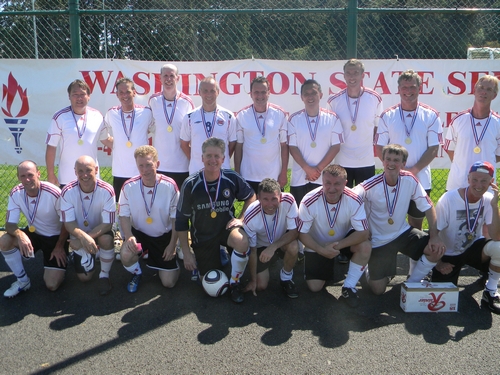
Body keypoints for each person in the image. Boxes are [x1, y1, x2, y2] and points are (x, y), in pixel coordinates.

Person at [353, 144, 446, 295]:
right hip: (378, 240)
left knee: (436, 249)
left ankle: (411, 284)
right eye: (388, 159)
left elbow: (429, 207)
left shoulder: (410, 179)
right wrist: (362, 228)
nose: (391, 163)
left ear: (403, 164)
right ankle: (371, 269)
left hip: (402, 233)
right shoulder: (370, 185)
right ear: (382, 161)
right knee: (377, 290)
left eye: (396, 160)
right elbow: (351, 199)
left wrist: (435, 236)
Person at [375, 69, 443, 275]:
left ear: (420, 88)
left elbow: (433, 149)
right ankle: (384, 266)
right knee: (390, 220)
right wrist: (396, 169)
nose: (408, 91)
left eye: (412, 86)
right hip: (392, 180)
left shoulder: (431, 115)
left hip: (420, 179)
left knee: (416, 224)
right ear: (398, 89)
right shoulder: (387, 115)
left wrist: (412, 171)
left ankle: (416, 270)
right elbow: (379, 147)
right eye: (404, 87)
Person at [176, 137, 256, 303]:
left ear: (223, 159)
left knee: (242, 241)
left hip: (226, 229)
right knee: (207, 280)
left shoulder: (231, 178)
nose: (213, 160)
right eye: (209, 156)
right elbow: (181, 221)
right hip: (203, 235)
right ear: (202, 158)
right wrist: (186, 253)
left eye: (217, 156)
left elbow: (251, 197)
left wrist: (241, 219)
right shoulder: (191, 184)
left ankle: (235, 284)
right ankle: (217, 255)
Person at [297, 165, 371, 308]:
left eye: (337, 183)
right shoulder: (308, 201)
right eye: (327, 183)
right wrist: (321, 250)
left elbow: (363, 233)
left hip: (343, 241)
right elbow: (302, 234)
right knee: (314, 287)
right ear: (322, 182)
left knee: (365, 246)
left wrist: (336, 246)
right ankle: (327, 264)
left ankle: (349, 287)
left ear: (345, 183)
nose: (332, 188)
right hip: (318, 244)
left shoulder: (354, 199)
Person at [433, 161, 500, 314]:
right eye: (475, 179)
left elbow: (497, 236)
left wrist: (495, 206)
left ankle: (490, 291)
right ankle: (432, 271)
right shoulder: (448, 199)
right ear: (468, 179)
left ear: (491, 182)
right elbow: (433, 234)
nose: (478, 184)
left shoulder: (489, 199)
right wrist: (438, 262)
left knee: (499, 247)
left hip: (472, 249)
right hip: (448, 253)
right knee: (442, 301)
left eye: (484, 181)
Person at [0, 161, 69, 298]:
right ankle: (23, 281)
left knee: (52, 285)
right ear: (18, 177)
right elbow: (10, 225)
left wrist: (60, 245)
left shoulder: (54, 193)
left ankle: (67, 256)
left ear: (38, 174)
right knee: (5, 240)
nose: (27, 179)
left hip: (55, 238)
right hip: (34, 233)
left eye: (30, 175)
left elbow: (67, 222)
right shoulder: (16, 192)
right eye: (23, 176)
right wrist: (20, 234)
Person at [118, 145, 180, 293]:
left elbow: (176, 218)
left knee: (168, 283)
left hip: (163, 236)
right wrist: (129, 236)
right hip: (139, 234)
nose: (144, 170)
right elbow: (124, 215)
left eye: (149, 165)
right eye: (141, 166)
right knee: (125, 255)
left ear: (157, 164)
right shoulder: (128, 186)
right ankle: (137, 273)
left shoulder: (169, 185)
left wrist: (172, 244)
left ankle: (172, 261)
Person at [60, 155, 116, 295]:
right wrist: (82, 237)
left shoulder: (107, 190)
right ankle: (90, 254)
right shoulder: (67, 191)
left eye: (88, 170)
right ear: (75, 172)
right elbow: (69, 223)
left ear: (96, 170)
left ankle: (104, 275)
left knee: (106, 239)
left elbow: (108, 224)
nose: (84, 175)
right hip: (80, 233)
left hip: (100, 230)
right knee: (84, 278)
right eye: (80, 171)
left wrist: (85, 239)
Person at [45, 79, 112, 187]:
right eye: (75, 94)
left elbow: (106, 140)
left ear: (89, 96)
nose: (79, 98)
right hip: (67, 179)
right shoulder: (60, 117)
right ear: (69, 96)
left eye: (82, 94)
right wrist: (50, 174)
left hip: (92, 177)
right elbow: (51, 147)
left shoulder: (97, 116)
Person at [327, 59, 383, 188]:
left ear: (362, 75)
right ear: (344, 76)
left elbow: (377, 128)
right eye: (348, 73)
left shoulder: (374, 98)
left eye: (356, 73)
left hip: (366, 161)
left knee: (365, 201)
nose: (352, 77)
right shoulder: (334, 101)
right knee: (342, 201)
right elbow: (329, 132)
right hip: (342, 162)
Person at [288, 79, 343, 206]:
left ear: (321, 95)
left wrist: (317, 169)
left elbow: (335, 146)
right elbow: (292, 147)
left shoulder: (333, 118)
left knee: (322, 216)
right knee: (300, 215)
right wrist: (307, 169)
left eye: (313, 93)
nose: (310, 97)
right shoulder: (294, 119)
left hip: (324, 178)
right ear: (302, 97)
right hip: (299, 178)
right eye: (306, 94)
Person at [243, 178, 299, 298]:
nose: (270, 204)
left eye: (274, 199)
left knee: (294, 246)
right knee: (260, 286)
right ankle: (271, 261)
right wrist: (253, 280)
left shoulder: (289, 200)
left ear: (280, 196)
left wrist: (273, 247)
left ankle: (286, 278)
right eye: (265, 199)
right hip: (261, 247)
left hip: (281, 242)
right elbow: (252, 251)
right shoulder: (250, 215)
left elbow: (294, 232)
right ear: (258, 198)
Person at [444, 75, 500, 191]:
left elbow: (498, 156)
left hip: (485, 186)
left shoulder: (497, 123)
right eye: (481, 88)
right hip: (458, 183)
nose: (483, 92)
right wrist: (463, 162)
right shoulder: (459, 119)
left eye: (489, 90)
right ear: (474, 90)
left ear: (494, 95)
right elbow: (450, 149)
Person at [235, 76, 289, 192]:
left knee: (273, 208)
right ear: (251, 94)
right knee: (251, 209)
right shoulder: (241, 115)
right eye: (256, 92)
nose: (260, 96)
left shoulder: (280, 114)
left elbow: (284, 146)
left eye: (263, 92)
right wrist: (238, 173)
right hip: (248, 175)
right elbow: (238, 146)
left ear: (269, 93)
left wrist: (284, 172)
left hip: (273, 175)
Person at [104, 77, 155, 199]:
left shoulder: (146, 112)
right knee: (121, 207)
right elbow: (101, 133)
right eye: (121, 92)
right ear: (117, 94)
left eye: (127, 91)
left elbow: (155, 130)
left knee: (143, 204)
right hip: (120, 171)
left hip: (142, 170)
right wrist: (114, 145)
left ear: (134, 92)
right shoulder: (112, 113)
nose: (125, 95)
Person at [149, 63, 195, 190]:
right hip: (159, 164)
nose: (168, 79)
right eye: (165, 76)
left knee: (180, 203)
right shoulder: (153, 101)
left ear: (178, 78)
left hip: (181, 165)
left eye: (172, 76)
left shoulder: (187, 102)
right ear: (160, 78)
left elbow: (191, 132)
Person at [180, 76, 237, 175]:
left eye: (212, 91)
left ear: (218, 92)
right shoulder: (190, 117)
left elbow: (232, 144)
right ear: (199, 92)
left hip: (222, 172)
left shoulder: (228, 116)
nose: (209, 94)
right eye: (205, 91)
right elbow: (184, 144)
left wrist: (218, 159)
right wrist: (196, 159)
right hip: (197, 171)